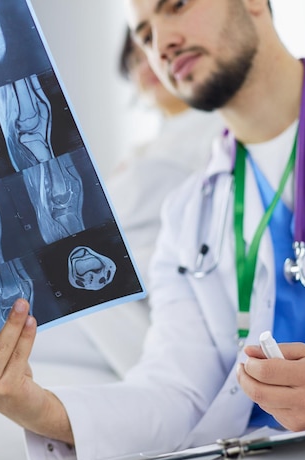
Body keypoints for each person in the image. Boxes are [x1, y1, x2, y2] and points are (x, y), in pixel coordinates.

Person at [0, 0, 305, 460]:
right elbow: (178, 391)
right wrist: (39, 408)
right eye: (144, 35)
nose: (160, 44)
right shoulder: (187, 214)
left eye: (176, 6)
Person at [77, 28, 223, 377]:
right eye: (134, 61)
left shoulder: (217, 130)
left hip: (160, 281)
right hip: (124, 282)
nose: (144, 68)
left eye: (149, 55)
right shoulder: (139, 153)